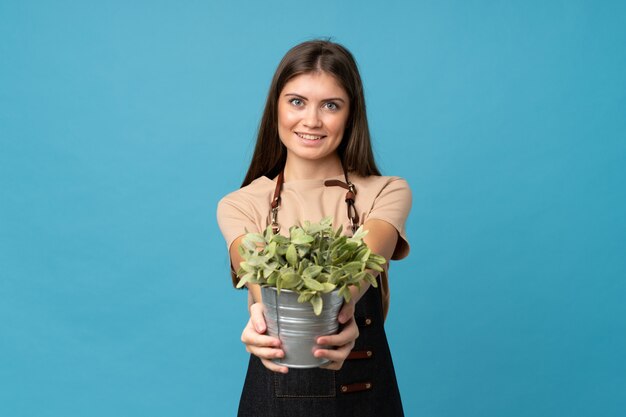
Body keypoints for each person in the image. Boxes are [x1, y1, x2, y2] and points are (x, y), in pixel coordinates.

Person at [217, 39, 411, 417]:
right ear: (276, 107)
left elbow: (366, 259)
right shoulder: (239, 204)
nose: (312, 120)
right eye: (297, 101)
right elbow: (253, 271)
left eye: (331, 105)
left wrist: (342, 310)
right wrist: (262, 316)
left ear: (351, 114)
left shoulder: (387, 192)